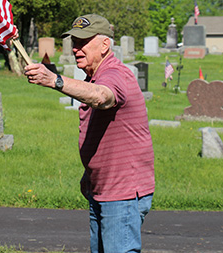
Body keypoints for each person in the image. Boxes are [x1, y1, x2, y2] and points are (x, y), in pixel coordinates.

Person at [24, 14, 155, 252]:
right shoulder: (94, 76)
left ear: (105, 45)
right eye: (74, 42)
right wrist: (91, 173)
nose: (76, 48)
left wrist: (55, 80)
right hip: (104, 187)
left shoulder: (115, 74)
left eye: (83, 42)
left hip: (122, 192)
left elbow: (101, 96)